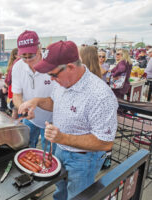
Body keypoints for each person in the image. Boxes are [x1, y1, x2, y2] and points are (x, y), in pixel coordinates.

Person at [18, 41, 118, 200]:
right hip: (61, 149)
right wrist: (36, 101)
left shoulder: (100, 95)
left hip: (84, 158)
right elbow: (54, 102)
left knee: (77, 197)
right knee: (60, 191)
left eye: (53, 74)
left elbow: (105, 142)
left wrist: (62, 138)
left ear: (71, 67)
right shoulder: (62, 82)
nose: (51, 79)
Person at [11, 30, 55, 152]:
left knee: (49, 154)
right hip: (30, 120)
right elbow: (16, 94)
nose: (27, 60)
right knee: (27, 150)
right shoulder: (18, 66)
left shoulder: (52, 64)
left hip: (52, 120)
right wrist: (23, 108)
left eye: (31, 56)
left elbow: (61, 102)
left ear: (40, 48)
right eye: (23, 57)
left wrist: (36, 101)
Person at [5, 48, 19, 118]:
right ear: (15, 55)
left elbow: (7, 82)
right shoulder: (16, 64)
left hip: (11, 90)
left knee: (15, 110)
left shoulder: (11, 64)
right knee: (15, 110)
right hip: (13, 90)